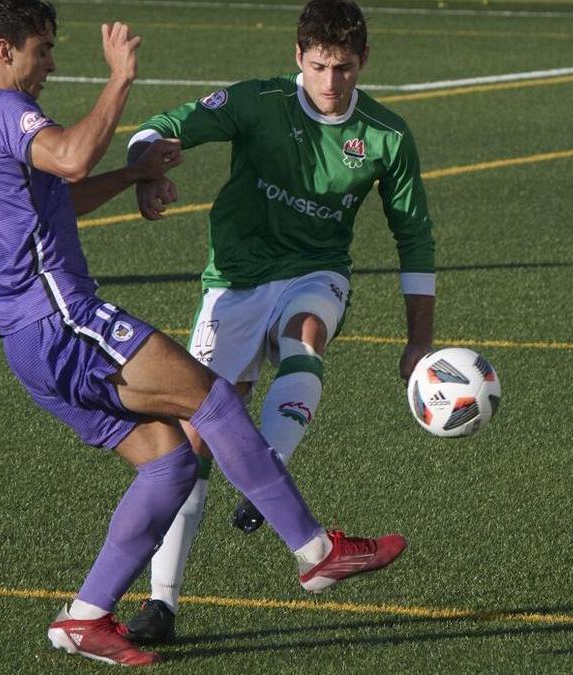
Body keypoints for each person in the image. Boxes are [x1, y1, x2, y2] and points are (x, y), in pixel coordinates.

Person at [0, 0, 407, 666]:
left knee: (170, 462)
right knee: (212, 398)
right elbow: (69, 160)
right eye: (43, 50)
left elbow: (54, 200)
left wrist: (132, 175)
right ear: (5, 50)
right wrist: (120, 79)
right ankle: (315, 551)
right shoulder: (4, 110)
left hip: (25, 342)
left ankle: (85, 615)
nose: (50, 65)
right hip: (65, 319)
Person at [124, 0, 435, 644]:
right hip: (234, 281)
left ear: (364, 62)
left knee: (306, 337)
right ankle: (161, 603)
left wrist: (420, 339)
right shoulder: (258, 101)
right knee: (191, 446)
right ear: (298, 58)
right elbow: (161, 125)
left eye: (344, 68)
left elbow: (416, 238)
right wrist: (147, 166)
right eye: (319, 66)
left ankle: (266, 469)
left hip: (317, 271)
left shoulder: (386, 135)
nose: (330, 82)